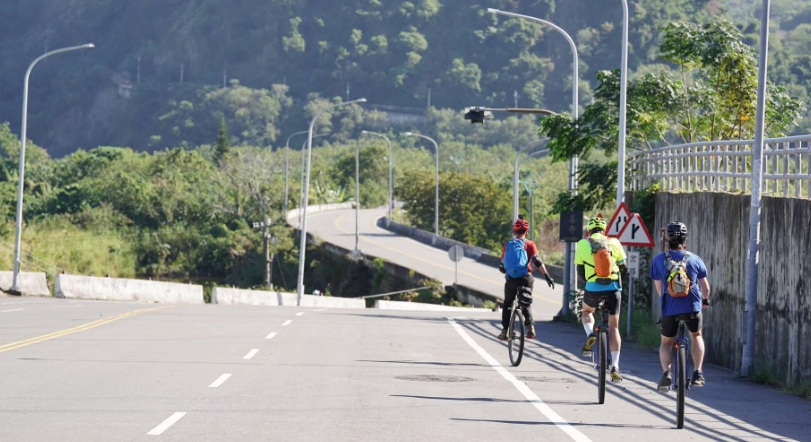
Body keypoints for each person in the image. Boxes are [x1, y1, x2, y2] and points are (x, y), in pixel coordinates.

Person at [650, 221, 710, 391]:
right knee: (696, 335)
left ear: (667, 239)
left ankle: (666, 373)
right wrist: (704, 301)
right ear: (686, 239)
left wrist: (666, 300)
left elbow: (659, 288)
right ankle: (698, 372)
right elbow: (705, 288)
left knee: (667, 342)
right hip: (692, 307)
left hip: (670, 309)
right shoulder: (694, 259)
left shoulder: (659, 259)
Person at [576, 217, 627, 383]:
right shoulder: (614, 242)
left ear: (589, 230)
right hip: (613, 288)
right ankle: (615, 366)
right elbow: (624, 267)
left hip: (593, 287)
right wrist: (618, 284)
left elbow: (580, 269)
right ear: (604, 230)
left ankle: (590, 334)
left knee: (586, 311)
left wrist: (589, 282)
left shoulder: (582, 243)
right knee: (614, 328)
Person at [498, 217, 555, 341]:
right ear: (526, 232)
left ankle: (505, 331)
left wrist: (506, 270)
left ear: (514, 231)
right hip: (525, 278)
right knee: (526, 302)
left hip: (511, 280)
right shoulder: (529, 244)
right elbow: (537, 261)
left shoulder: (508, 245)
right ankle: (530, 328)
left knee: (508, 303)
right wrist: (547, 276)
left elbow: (502, 266)